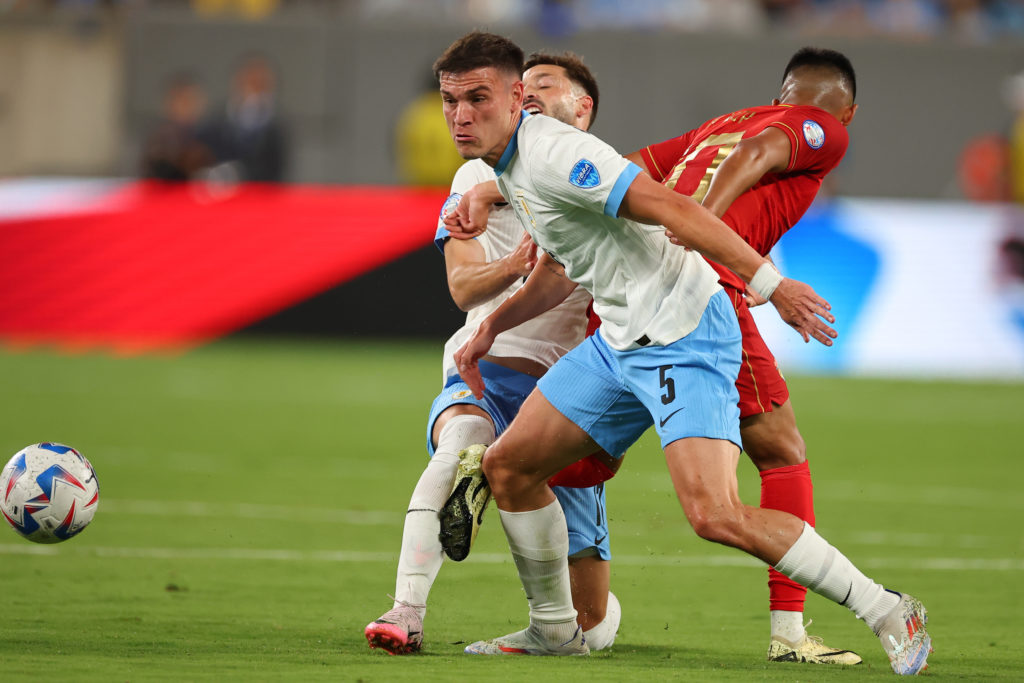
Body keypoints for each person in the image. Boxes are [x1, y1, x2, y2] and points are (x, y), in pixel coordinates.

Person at [436, 31, 931, 675]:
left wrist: (771, 285)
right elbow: (563, 267)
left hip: (683, 331)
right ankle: (553, 629)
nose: (462, 115)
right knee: (508, 469)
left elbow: (670, 203)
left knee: (714, 514)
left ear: (516, 97)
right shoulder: (513, 167)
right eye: (451, 102)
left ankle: (888, 608)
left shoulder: (555, 155)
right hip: (618, 340)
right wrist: (488, 329)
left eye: (478, 98)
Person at [364, 50, 621, 656]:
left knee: (595, 626)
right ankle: (407, 610)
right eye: (521, 87)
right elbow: (461, 288)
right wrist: (516, 258)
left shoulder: (603, 173)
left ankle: (569, 624)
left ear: (582, 108)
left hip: (572, 386)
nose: (527, 94)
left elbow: (629, 192)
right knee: (457, 447)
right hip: (489, 366)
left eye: (544, 86)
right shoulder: (471, 177)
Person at [612, 47, 863, 665]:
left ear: (778, 94)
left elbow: (624, 168)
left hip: (631, 290)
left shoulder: (720, 124)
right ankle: (790, 635)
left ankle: (562, 613)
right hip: (706, 294)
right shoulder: (822, 129)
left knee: (570, 456)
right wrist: (704, 218)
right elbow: (760, 156)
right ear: (849, 112)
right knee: (781, 453)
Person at [204, 54, 288, 182]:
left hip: (261, 193)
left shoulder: (277, 126)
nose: (254, 90)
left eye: (260, 84)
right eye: (250, 82)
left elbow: (278, 168)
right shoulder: (219, 119)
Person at [140, 73, 215, 181]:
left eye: (192, 100)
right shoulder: (159, 139)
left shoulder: (213, 135)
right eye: (182, 100)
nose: (187, 107)